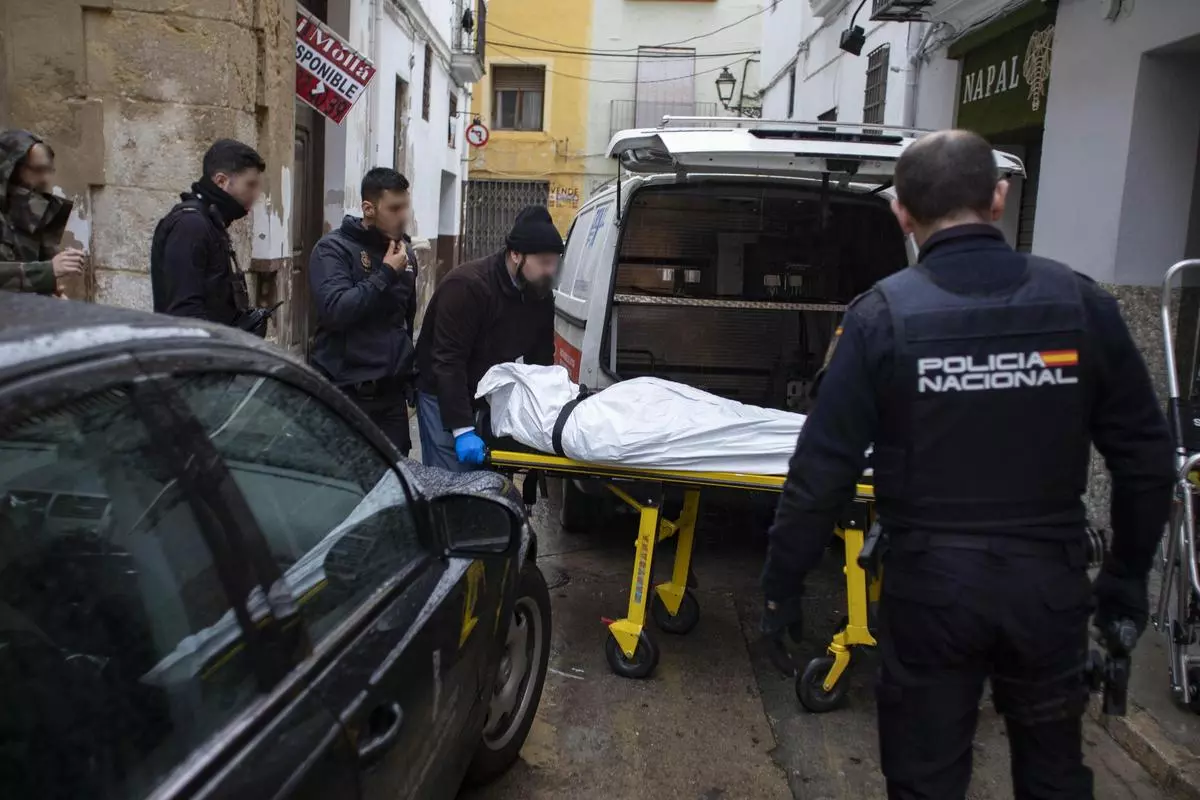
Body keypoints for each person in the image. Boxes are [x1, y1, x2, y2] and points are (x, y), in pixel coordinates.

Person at [760, 130, 1175, 799]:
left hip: (931, 595)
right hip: (1047, 591)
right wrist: (1126, 582)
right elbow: (1146, 458)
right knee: (1053, 776)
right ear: (999, 199)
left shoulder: (880, 318)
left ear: (901, 212)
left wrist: (781, 587)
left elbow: (821, 474)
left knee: (925, 782)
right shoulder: (1079, 305)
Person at [415, 205, 564, 471]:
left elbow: (540, 361)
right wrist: (462, 429)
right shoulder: (467, 287)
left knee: (489, 484)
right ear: (516, 255)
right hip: (442, 391)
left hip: (487, 393)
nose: (550, 271)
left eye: (555, 263)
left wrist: (542, 419)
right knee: (449, 483)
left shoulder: (539, 294)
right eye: (544, 262)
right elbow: (448, 361)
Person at [309, 167, 418, 456]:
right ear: (369, 209)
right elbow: (336, 311)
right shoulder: (333, 249)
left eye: (405, 206)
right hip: (345, 394)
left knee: (395, 478)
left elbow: (405, 320)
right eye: (394, 208)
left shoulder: (405, 254)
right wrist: (385, 274)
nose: (403, 215)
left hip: (390, 399)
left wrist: (408, 375)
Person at [150, 138, 268, 334]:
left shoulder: (212, 222)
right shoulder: (190, 225)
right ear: (221, 181)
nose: (256, 194)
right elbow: (185, 314)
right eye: (250, 184)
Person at [0, 129, 84, 295]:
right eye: (38, 170)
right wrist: (48, 270)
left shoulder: (32, 216)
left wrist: (52, 292)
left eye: (49, 170)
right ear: (11, 169)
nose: (45, 179)